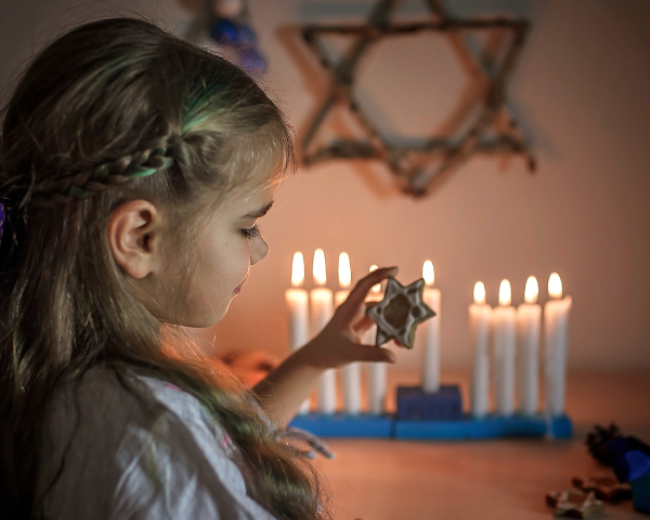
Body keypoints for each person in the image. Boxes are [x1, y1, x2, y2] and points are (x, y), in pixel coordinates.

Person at [0, 18, 397, 520]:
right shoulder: (149, 431)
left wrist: (316, 357)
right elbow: (188, 450)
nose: (260, 250)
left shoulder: (77, 384)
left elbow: (221, 447)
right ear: (141, 238)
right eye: (246, 227)